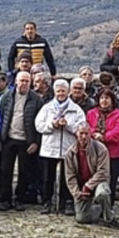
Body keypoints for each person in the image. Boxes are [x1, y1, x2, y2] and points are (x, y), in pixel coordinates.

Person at [34, 79, 84, 215]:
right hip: (49, 148)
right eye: (58, 91)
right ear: (55, 92)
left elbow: (81, 128)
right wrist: (52, 125)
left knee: (67, 177)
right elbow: (39, 125)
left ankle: (66, 202)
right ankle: (47, 201)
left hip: (68, 148)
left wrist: (67, 125)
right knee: (47, 177)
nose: (61, 93)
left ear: (68, 92)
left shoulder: (76, 110)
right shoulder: (47, 108)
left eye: (63, 91)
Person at [0, 71, 43, 211]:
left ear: (30, 83)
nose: (23, 84)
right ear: (15, 81)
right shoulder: (7, 96)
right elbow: (1, 117)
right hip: (9, 138)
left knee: (24, 171)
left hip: (26, 141)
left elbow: (40, 123)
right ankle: (5, 199)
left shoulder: (36, 99)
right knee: (5, 170)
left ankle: (20, 199)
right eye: (21, 80)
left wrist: (35, 142)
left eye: (26, 81)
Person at [63, 123, 119, 229]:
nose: (84, 137)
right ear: (76, 134)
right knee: (81, 219)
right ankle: (99, 210)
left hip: (99, 182)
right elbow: (70, 177)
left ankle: (109, 218)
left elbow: (103, 172)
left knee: (102, 193)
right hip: (82, 185)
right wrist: (77, 193)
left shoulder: (101, 148)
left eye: (86, 133)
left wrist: (88, 186)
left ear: (90, 134)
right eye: (81, 133)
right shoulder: (70, 153)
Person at [87, 88, 119, 201]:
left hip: (112, 153)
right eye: (102, 98)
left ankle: (109, 205)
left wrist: (104, 137)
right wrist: (94, 134)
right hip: (94, 151)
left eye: (107, 98)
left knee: (111, 180)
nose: (104, 101)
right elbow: (86, 125)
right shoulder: (91, 113)